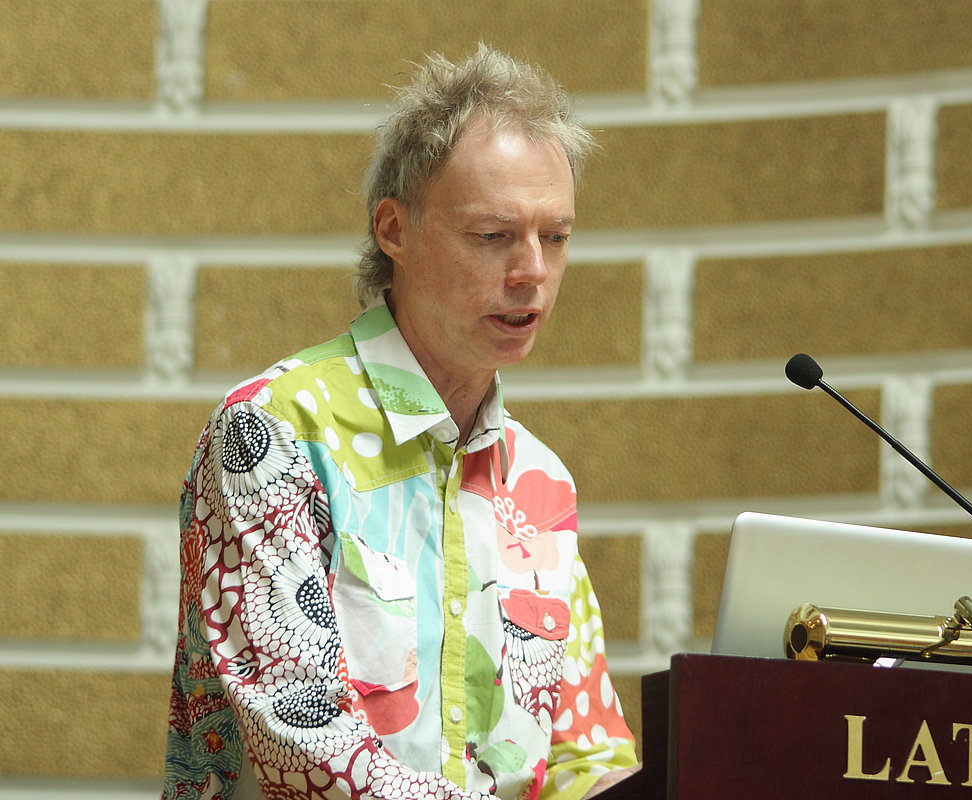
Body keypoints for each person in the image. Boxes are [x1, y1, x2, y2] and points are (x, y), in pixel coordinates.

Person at [163, 45, 639, 800]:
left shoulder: (541, 481)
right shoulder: (273, 430)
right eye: (493, 235)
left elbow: (586, 756)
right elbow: (303, 746)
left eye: (555, 236)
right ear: (395, 229)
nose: (533, 272)